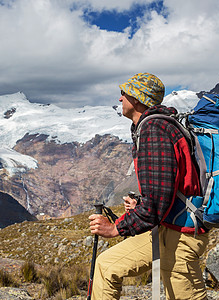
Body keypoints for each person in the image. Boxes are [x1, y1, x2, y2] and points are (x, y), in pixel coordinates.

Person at [89, 73, 209, 300]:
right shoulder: (153, 126)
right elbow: (163, 191)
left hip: (181, 235)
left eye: (124, 93)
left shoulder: (154, 129)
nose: (120, 98)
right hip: (166, 227)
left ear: (136, 98)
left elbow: (157, 202)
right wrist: (140, 204)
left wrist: (115, 228)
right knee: (106, 266)